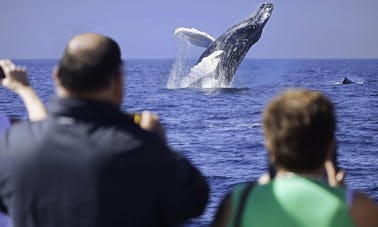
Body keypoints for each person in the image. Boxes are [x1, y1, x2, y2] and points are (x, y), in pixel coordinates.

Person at [0, 33, 209, 227]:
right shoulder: (140, 149)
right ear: (119, 83)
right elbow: (194, 200)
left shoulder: (11, 146)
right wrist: (158, 145)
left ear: (56, 76)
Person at [212, 89, 378, 227]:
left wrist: (262, 188)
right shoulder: (358, 207)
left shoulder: (238, 202)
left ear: (269, 147)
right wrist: (339, 195)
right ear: (331, 148)